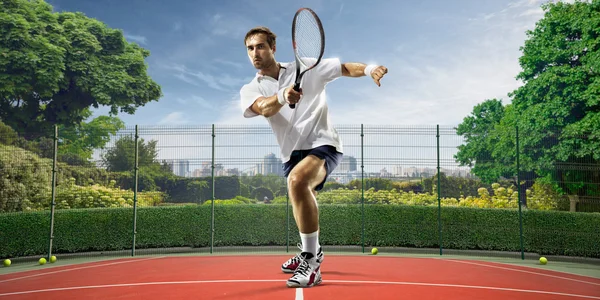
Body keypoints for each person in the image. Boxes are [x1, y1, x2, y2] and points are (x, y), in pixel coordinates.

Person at [239, 26, 388, 288]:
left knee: (297, 181)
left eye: (260, 46)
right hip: (290, 153)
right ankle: (312, 250)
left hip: (323, 144)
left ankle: (312, 264)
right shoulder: (250, 89)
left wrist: (368, 70)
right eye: (250, 49)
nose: (255, 53)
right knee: (301, 200)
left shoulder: (305, 67)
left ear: (273, 48)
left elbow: (344, 68)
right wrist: (284, 96)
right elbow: (263, 108)